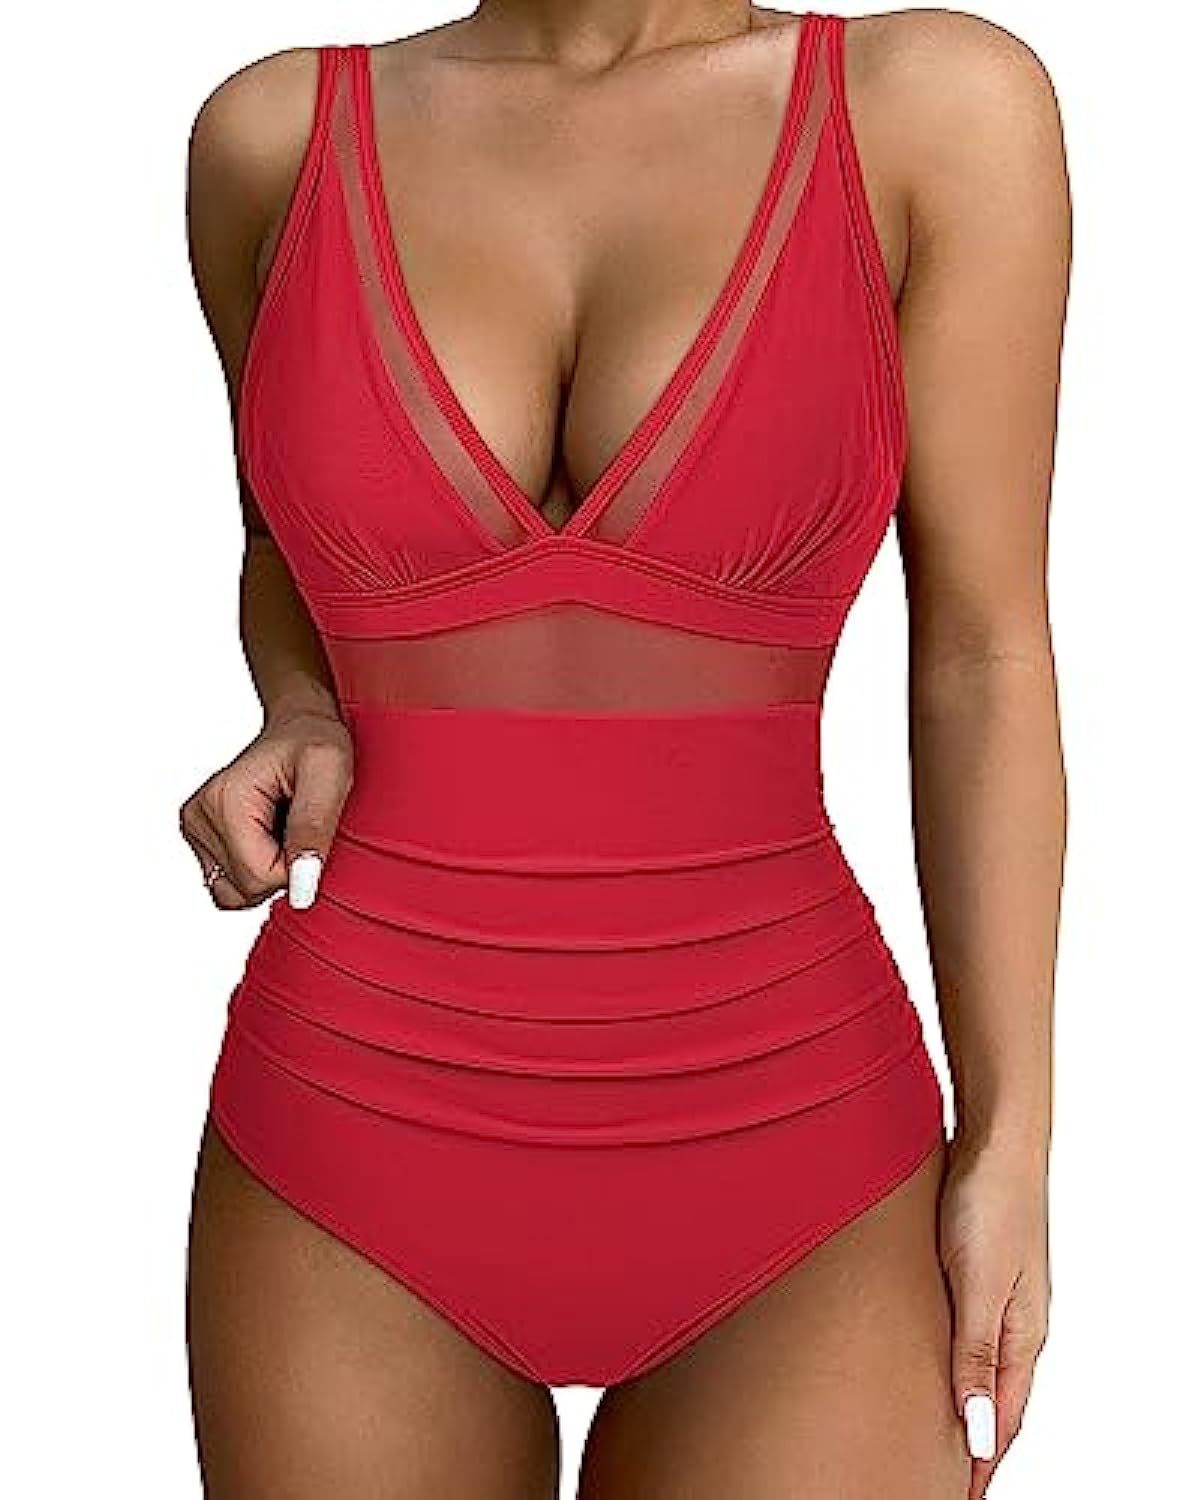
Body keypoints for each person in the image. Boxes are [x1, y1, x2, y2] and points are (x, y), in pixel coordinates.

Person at [179, 4, 1070, 1495]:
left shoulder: (932, 109)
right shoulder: (270, 138)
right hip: (347, 1128)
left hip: (802, 1152)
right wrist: (301, 707)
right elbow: (283, 541)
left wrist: (1012, 1148)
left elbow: (984, 656)